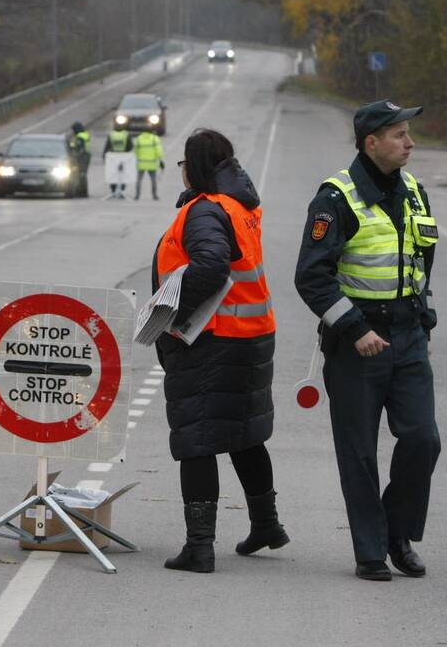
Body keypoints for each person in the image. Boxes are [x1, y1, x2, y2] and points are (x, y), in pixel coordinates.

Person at [294, 100, 439, 581]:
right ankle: (371, 551)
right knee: (358, 452)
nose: (409, 142)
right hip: (358, 341)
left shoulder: (415, 192)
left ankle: (396, 531)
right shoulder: (336, 198)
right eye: (399, 134)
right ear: (370, 142)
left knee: (423, 440)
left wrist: (425, 323)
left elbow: (419, 263)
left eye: (408, 133)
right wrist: (355, 330)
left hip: (408, 335)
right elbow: (312, 278)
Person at [153, 128, 287, 573]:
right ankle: (266, 525)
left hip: (212, 339)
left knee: (196, 438)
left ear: (194, 168)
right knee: (244, 432)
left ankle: (199, 546)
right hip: (251, 334)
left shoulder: (205, 210)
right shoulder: (240, 205)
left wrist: (172, 310)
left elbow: (210, 264)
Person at [101, 123, 134, 198]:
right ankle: (121, 189)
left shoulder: (111, 135)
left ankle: (113, 190)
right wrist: (127, 153)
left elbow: (107, 146)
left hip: (112, 157)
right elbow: (130, 146)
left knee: (112, 173)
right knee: (123, 173)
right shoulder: (126, 134)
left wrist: (104, 156)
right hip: (124, 157)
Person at [133, 127, 165, 200]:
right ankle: (154, 195)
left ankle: (137, 195)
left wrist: (139, 156)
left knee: (139, 180)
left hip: (141, 163)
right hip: (152, 163)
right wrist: (160, 160)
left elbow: (135, 150)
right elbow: (159, 150)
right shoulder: (154, 139)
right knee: (153, 180)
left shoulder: (139, 139)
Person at [68, 122, 91, 195]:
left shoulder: (80, 137)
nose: (73, 132)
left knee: (81, 174)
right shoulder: (84, 135)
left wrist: (71, 147)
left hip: (82, 157)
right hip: (85, 156)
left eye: (73, 130)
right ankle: (82, 190)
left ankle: (81, 191)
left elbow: (78, 148)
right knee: (82, 174)